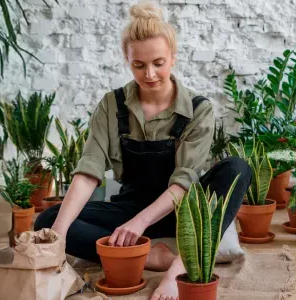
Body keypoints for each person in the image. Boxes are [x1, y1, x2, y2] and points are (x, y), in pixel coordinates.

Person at [32, 2, 251, 300]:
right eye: (139, 65)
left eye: (158, 63)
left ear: (173, 58)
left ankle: (180, 264)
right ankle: (149, 257)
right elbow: (88, 172)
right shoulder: (112, 105)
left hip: (182, 211)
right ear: (127, 59)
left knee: (237, 168)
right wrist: (56, 238)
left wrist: (140, 224)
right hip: (130, 206)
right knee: (48, 221)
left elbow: (184, 182)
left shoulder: (198, 110)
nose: (149, 74)